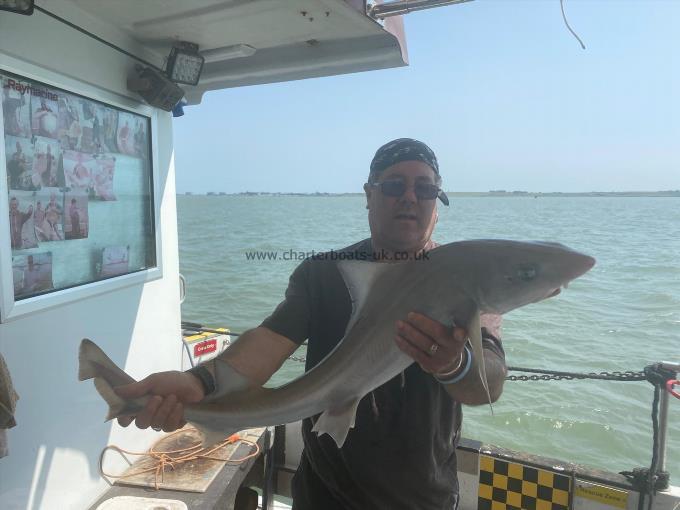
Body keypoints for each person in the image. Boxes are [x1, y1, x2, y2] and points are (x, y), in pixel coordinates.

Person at [115, 139, 507, 509]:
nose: (409, 197)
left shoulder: (465, 282)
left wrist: (455, 364)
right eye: (393, 185)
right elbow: (268, 342)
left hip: (423, 497)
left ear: (437, 202)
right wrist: (200, 382)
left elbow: (488, 383)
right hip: (324, 493)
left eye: (424, 188)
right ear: (368, 195)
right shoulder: (324, 273)